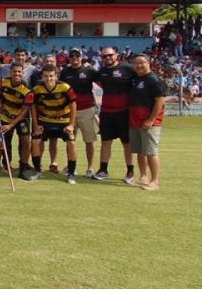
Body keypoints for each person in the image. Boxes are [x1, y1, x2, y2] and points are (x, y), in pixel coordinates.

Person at [92, 47, 136, 184]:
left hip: (124, 113)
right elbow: (99, 84)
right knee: (105, 142)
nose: (107, 58)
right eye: (104, 56)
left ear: (116, 55)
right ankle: (103, 170)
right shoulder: (102, 71)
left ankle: (130, 172)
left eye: (110, 55)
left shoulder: (128, 69)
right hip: (107, 113)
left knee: (127, 144)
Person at [30, 65, 78, 184]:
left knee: (71, 142)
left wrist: (71, 124)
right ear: (42, 76)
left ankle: (71, 174)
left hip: (63, 121)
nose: (48, 78)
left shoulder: (65, 87)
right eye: (46, 76)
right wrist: (35, 125)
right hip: (45, 120)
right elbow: (33, 106)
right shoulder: (37, 89)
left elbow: (73, 104)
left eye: (51, 76)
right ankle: (37, 171)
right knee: (35, 141)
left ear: (56, 76)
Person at [129, 54, 166, 191]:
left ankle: (155, 181)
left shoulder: (153, 80)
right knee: (140, 151)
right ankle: (143, 177)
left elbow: (160, 101)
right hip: (135, 121)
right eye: (136, 63)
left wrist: (151, 119)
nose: (139, 65)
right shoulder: (136, 79)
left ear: (148, 63)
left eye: (142, 63)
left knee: (151, 152)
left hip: (149, 122)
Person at [60, 48, 98, 178]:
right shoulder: (65, 72)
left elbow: (103, 84)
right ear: (69, 58)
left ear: (82, 57)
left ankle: (90, 167)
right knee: (70, 140)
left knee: (89, 140)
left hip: (86, 109)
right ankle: (70, 166)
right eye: (72, 56)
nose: (75, 57)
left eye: (77, 55)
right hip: (70, 111)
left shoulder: (90, 71)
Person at [0, 63, 34, 181]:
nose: (17, 74)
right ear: (10, 72)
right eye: (14, 71)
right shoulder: (3, 82)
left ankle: (23, 170)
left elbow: (24, 111)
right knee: (1, 142)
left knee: (26, 141)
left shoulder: (27, 90)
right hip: (5, 116)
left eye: (19, 72)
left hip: (21, 118)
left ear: (23, 73)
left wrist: (11, 125)